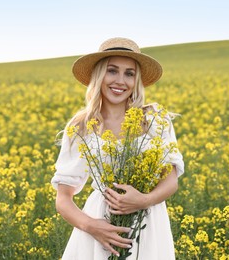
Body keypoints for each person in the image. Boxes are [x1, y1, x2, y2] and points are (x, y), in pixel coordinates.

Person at [51, 37, 185, 259]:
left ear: (137, 80)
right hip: (99, 227)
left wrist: (144, 200)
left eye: (129, 73)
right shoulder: (80, 127)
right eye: (112, 71)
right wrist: (92, 226)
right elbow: (63, 198)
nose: (120, 81)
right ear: (99, 75)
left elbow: (171, 179)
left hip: (149, 224)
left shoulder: (154, 119)